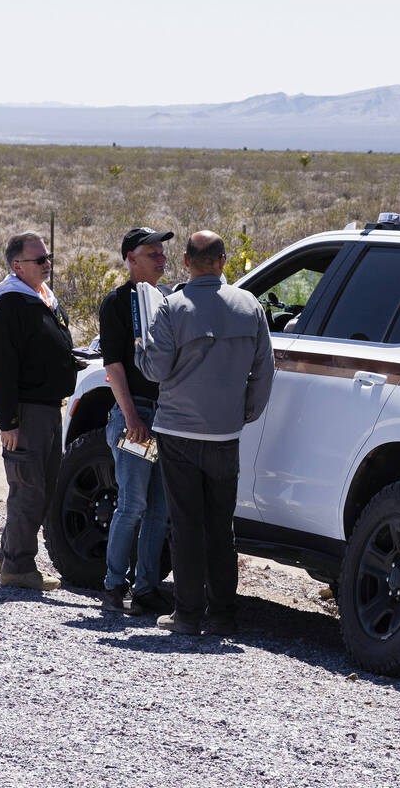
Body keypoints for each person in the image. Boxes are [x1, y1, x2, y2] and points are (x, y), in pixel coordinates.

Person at [136, 230, 273, 635]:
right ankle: (223, 615)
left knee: (185, 524)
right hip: (225, 433)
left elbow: (156, 370)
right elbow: (264, 369)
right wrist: (246, 411)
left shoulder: (173, 307)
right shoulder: (250, 306)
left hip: (178, 432)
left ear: (185, 261)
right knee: (219, 526)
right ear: (223, 261)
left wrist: (142, 347)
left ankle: (188, 613)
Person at [0, 231, 79, 591]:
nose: (47, 264)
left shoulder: (43, 299)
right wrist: (8, 422)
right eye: (39, 260)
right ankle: (19, 568)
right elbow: (0, 371)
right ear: (17, 265)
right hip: (26, 413)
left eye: (48, 257)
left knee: (44, 485)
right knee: (29, 488)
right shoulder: (9, 306)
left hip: (49, 409)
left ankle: (8, 553)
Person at [97, 227, 175, 615]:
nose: (161, 257)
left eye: (162, 251)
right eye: (151, 252)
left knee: (159, 509)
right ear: (130, 258)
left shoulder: (167, 300)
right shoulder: (116, 303)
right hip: (137, 415)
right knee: (133, 504)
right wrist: (131, 416)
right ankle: (113, 586)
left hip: (165, 417)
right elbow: (113, 364)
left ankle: (146, 588)